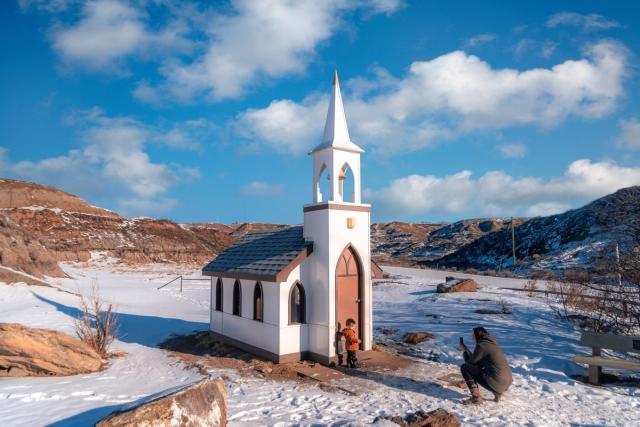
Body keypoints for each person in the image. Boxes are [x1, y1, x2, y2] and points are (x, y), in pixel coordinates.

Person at [459, 326, 512, 405]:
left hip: (498, 382)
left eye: (473, 335)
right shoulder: (490, 343)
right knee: (480, 369)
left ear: (477, 335)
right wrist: (466, 350)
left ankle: (476, 398)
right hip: (506, 383)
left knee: (465, 367)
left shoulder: (481, 345)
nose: (472, 338)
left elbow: (470, 364)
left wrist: (464, 352)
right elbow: (477, 361)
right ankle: (497, 392)